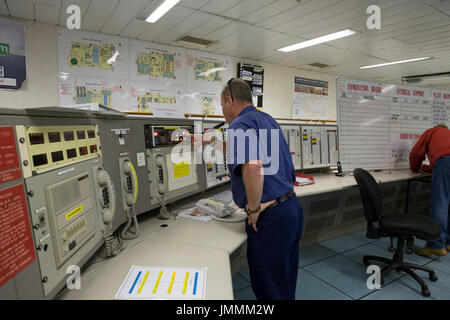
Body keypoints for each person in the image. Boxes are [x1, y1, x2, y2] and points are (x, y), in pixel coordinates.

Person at [216, 78, 304, 300]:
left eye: (222, 105)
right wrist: (209, 142)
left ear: (229, 100)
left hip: (270, 216)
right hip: (291, 208)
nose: (223, 111)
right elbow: (251, 152)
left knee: (269, 289)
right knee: (283, 281)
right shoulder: (266, 119)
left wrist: (253, 209)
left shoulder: (238, 124)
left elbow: (253, 166)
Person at [409, 124, 450, 257]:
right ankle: (448, 242)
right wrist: (428, 168)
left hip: (445, 162)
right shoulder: (447, 137)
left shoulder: (431, 132)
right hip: (445, 162)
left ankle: (436, 245)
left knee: (440, 203)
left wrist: (415, 168)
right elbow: (440, 165)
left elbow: (416, 153)